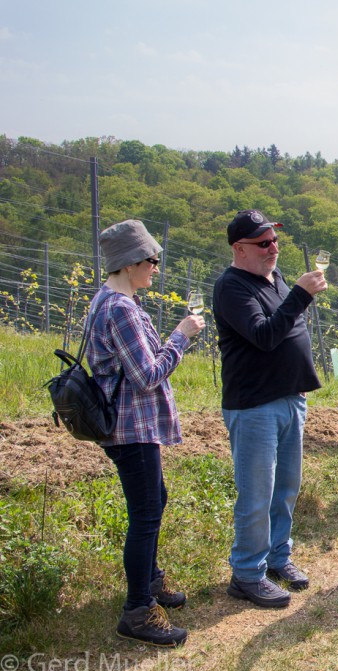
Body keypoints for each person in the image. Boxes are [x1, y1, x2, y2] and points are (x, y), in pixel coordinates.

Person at [88, 219, 204, 646]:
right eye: (152, 260)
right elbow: (147, 374)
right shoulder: (120, 308)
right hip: (129, 429)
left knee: (156, 500)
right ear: (131, 262)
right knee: (146, 515)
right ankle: (138, 610)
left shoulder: (111, 301)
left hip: (131, 426)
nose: (156, 267)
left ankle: (151, 580)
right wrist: (181, 336)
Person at [214, 209, 327, 608]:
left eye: (275, 240)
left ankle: (278, 557)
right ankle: (246, 574)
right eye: (263, 243)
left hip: (290, 398)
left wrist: (294, 297)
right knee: (257, 494)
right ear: (239, 248)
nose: (273, 248)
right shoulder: (231, 287)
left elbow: (287, 327)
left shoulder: (275, 278)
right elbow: (264, 336)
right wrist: (300, 295)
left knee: (285, 490)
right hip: (255, 405)